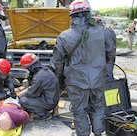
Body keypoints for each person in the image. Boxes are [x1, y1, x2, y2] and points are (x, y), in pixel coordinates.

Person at [50, 0, 116, 136]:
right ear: (88, 14)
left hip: (76, 81)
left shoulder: (64, 36)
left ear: (72, 16)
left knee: (79, 111)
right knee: (98, 106)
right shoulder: (104, 32)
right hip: (98, 79)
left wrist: (61, 80)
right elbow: (111, 55)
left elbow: (57, 63)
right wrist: (107, 74)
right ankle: (98, 133)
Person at [18, 53, 60, 121]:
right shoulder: (46, 70)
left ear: (31, 67)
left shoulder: (39, 77)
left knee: (23, 100)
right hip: (53, 98)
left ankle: (45, 115)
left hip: (49, 102)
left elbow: (31, 94)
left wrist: (20, 95)